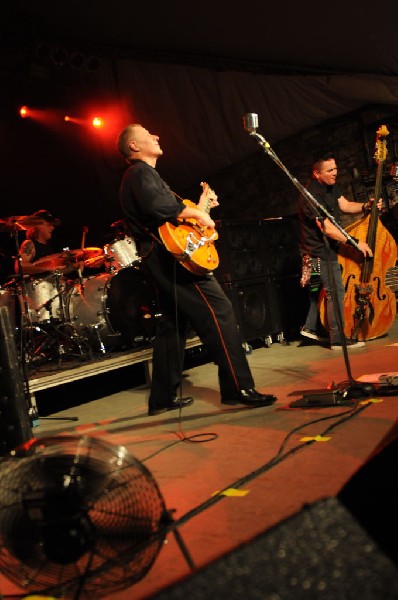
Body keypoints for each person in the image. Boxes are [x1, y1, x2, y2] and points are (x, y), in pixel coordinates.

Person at [116, 123, 277, 416]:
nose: (157, 134)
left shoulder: (147, 176)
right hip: (171, 261)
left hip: (162, 259)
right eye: (148, 133)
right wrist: (199, 212)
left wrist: (202, 208)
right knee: (220, 312)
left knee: (173, 325)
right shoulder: (139, 173)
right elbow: (160, 208)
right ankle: (237, 389)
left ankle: (162, 399)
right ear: (134, 146)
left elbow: (175, 219)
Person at [298, 151, 377, 350]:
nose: (335, 173)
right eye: (330, 170)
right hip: (319, 252)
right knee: (335, 291)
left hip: (329, 249)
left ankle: (314, 328)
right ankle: (337, 339)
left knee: (330, 291)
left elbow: (346, 205)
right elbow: (328, 229)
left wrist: (366, 205)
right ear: (317, 174)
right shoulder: (311, 196)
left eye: (335, 168)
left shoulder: (331, 186)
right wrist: (355, 242)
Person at [14, 210, 61, 275]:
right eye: (49, 224)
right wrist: (48, 268)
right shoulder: (30, 243)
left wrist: (72, 267)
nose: (52, 228)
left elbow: (56, 272)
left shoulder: (49, 247)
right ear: (38, 225)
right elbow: (20, 266)